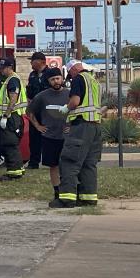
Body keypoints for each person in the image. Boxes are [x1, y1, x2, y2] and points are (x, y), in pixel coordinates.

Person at [55, 60, 103, 208]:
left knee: (70, 160)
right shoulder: (94, 81)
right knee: (89, 163)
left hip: (81, 126)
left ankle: (66, 199)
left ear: (74, 69)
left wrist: (66, 108)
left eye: (70, 73)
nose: (70, 76)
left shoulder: (78, 79)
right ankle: (88, 198)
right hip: (95, 126)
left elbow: (75, 101)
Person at [26, 67, 69, 202]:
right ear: (48, 81)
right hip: (49, 136)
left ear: (62, 78)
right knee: (53, 165)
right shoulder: (42, 96)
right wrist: (38, 126)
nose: (56, 81)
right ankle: (57, 192)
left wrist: (72, 127)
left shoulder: (70, 94)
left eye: (57, 78)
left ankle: (69, 190)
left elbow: (78, 112)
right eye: (52, 79)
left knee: (68, 165)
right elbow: (29, 111)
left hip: (67, 137)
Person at [0, 58, 27, 179]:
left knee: (9, 143)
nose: (1, 70)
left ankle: (13, 172)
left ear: (10, 67)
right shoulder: (11, 79)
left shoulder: (12, 80)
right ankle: (18, 168)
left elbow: (13, 99)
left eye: (3, 68)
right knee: (12, 143)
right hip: (13, 116)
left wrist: (5, 115)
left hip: (11, 117)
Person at [25, 52, 53, 169]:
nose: (31, 63)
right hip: (35, 111)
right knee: (34, 137)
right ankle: (34, 162)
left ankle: (52, 161)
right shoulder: (32, 75)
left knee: (50, 136)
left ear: (41, 61)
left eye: (33, 61)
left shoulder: (51, 73)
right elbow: (29, 93)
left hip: (48, 111)